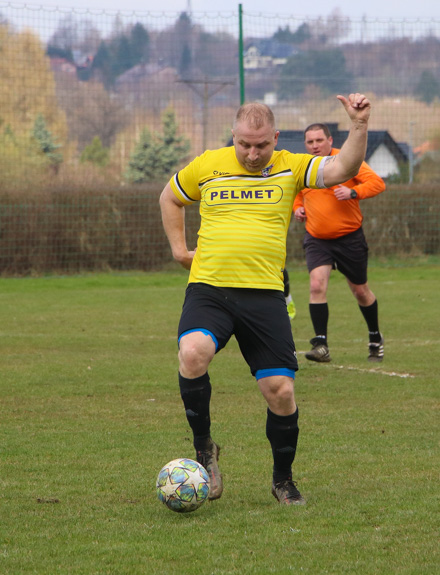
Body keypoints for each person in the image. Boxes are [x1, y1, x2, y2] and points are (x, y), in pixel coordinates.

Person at [159, 95, 372, 505]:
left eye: (261, 145)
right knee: (192, 352)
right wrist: (179, 250)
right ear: (233, 138)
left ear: (275, 138)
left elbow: (342, 167)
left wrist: (358, 125)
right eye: (244, 145)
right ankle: (204, 446)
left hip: (265, 295)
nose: (253, 153)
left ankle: (282, 479)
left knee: (280, 391)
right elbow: (170, 197)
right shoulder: (207, 165)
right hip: (210, 290)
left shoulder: (291, 165)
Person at [293, 123, 386, 363]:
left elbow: (377, 183)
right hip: (317, 239)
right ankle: (321, 345)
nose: (314, 145)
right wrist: (298, 208)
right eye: (310, 142)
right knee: (316, 285)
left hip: (349, 239)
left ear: (330, 140)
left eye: (319, 140)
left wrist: (353, 193)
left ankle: (375, 336)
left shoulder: (346, 161)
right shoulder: (304, 167)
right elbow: (298, 194)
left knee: (360, 291)